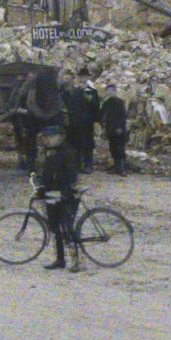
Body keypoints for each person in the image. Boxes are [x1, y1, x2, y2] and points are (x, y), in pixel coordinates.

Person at [34, 126, 82, 272]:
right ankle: (60, 259)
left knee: (66, 227)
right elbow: (44, 174)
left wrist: (62, 190)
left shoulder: (68, 153)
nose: (47, 140)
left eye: (51, 137)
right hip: (51, 195)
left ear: (60, 138)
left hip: (64, 195)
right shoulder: (48, 153)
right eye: (46, 138)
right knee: (55, 228)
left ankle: (75, 260)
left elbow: (71, 177)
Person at [61, 69, 99, 173]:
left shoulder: (91, 90)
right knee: (76, 144)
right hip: (75, 122)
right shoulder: (72, 90)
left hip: (86, 122)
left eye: (85, 77)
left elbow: (95, 105)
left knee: (88, 144)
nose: (82, 79)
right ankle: (76, 165)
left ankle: (88, 165)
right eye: (80, 77)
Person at [101, 90, 131, 175]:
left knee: (120, 149)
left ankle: (122, 169)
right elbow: (102, 115)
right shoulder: (106, 103)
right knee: (113, 148)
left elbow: (123, 116)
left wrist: (119, 127)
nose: (110, 93)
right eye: (109, 91)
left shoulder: (120, 102)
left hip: (119, 130)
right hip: (110, 129)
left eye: (112, 91)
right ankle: (116, 167)